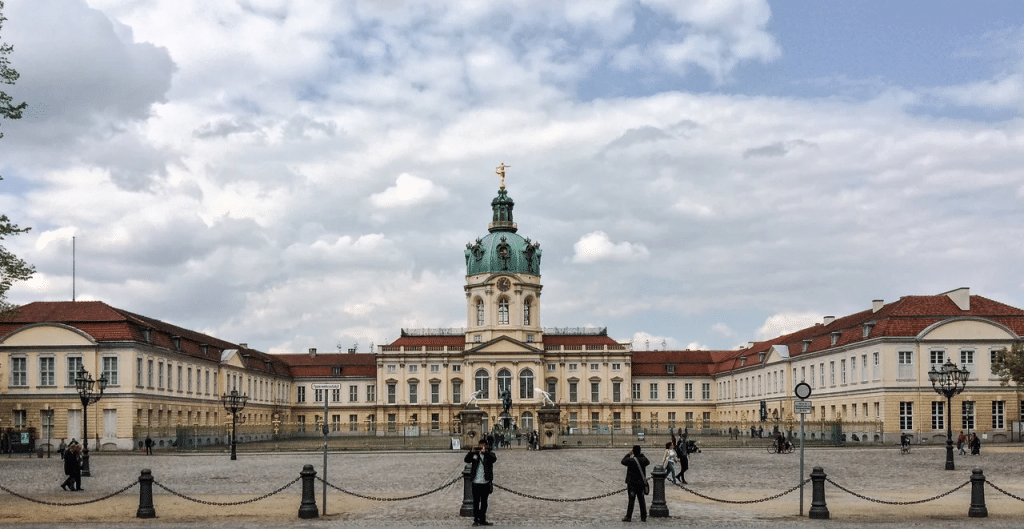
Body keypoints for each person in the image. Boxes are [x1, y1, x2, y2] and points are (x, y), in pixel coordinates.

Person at [464, 438, 496, 526]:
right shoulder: (475, 454)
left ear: (486, 445)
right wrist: (471, 452)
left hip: (485, 482)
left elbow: (494, 459)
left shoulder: (489, 454)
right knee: (476, 502)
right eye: (480, 444)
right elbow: (466, 460)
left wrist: (485, 452)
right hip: (476, 482)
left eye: (483, 445)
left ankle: (482, 519)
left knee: (484, 503)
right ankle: (476, 519)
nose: (481, 446)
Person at [621, 445, 649, 522]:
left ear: (633, 451)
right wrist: (641, 454)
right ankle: (643, 516)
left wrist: (629, 454)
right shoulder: (643, 459)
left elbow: (623, 461)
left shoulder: (631, 460)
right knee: (641, 500)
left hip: (632, 484)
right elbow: (648, 461)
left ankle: (628, 516)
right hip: (640, 483)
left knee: (631, 500)